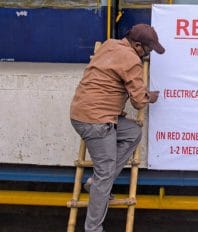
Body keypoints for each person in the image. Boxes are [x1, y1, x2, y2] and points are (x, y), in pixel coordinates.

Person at [69, 23, 165, 232]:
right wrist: (150, 96)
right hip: (97, 121)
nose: (147, 54)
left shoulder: (109, 44)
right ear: (137, 46)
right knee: (104, 176)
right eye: (148, 50)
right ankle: (93, 228)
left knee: (132, 133)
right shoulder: (132, 60)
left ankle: (96, 183)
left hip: (82, 114)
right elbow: (138, 102)